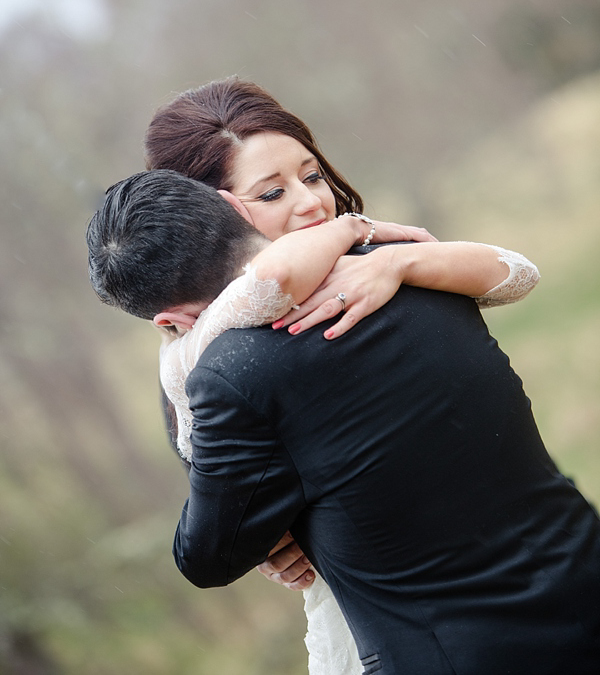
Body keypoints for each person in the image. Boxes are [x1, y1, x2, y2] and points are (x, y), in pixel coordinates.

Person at [87, 169, 600, 674]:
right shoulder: (403, 267)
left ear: (168, 322)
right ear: (237, 207)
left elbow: (207, 558)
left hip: (464, 655)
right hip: (583, 575)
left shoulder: (230, 374)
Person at [142, 78, 542, 672]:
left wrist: (398, 259)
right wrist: (262, 539)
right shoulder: (207, 346)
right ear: (213, 216)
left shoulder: (370, 264)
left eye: (310, 175)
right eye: (272, 193)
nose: (311, 203)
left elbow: (517, 272)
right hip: (376, 618)